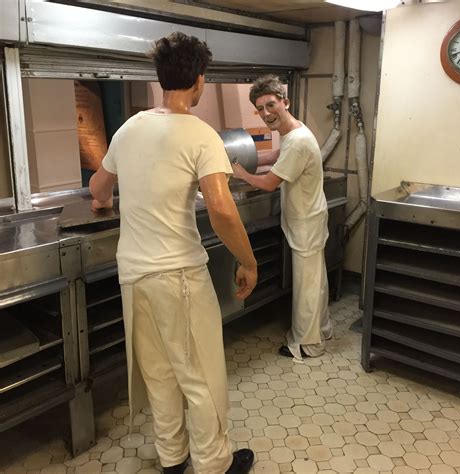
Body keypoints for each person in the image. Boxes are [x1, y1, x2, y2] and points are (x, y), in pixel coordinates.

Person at [89, 32, 257, 474]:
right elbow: (220, 207)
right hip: (178, 275)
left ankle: (172, 459)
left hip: (134, 276)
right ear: (199, 80)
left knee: (159, 373)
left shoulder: (130, 127)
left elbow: (98, 188)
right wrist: (248, 260)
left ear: (162, 78)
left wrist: (104, 204)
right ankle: (214, 465)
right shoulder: (200, 134)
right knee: (200, 376)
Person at [232, 74, 333, 361]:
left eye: (271, 105)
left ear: (284, 102)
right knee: (316, 280)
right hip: (309, 218)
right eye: (260, 109)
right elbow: (278, 154)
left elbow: (268, 183)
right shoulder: (295, 131)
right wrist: (250, 160)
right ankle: (322, 331)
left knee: (307, 285)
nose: (266, 114)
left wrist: (241, 173)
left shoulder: (298, 141)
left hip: (306, 223)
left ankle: (307, 345)